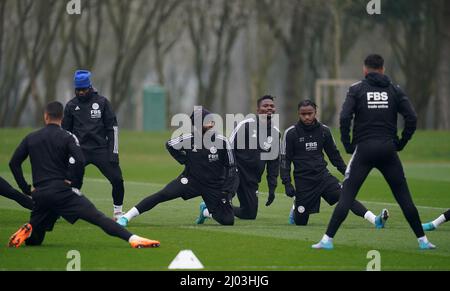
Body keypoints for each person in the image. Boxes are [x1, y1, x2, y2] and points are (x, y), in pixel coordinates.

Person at [312, 54, 435, 250]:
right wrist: (401, 142)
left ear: (365, 70)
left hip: (364, 149)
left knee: (347, 195)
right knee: (404, 197)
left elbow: (344, 117)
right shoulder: (394, 90)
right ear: (383, 69)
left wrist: (348, 143)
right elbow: (411, 117)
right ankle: (423, 241)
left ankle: (327, 240)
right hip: (388, 150)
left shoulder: (357, 89)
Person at [8, 101, 159, 249]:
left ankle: (29, 228)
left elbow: (14, 163)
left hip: (41, 195)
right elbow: (79, 161)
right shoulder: (67, 137)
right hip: (62, 192)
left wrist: (27, 189)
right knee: (99, 218)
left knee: (35, 240)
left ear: (46, 116)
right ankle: (133, 239)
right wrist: (75, 186)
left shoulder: (31, 138)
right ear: (61, 118)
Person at [118, 107, 237, 227]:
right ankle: (126, 217)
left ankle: (205, 212)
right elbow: (170, 144)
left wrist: (226, 190)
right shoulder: (188, 139)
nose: (211, 123)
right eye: (207, 121)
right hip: (191, 181)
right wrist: (184, 160)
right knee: (162, 195)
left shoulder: (222, 141)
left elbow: (232, 167)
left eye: (212, 120)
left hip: (214, 185)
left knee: (228, 220)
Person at [281, 100, 388, 227]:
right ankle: (296, 207)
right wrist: (287, 183)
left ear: (315, 112)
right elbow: (285, 161)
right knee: (300, 223)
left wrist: (347, 172)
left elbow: (334, 156)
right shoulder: (291, 133)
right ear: (298, 114)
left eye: (310, 113)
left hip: (323, 177)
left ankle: (375, 220)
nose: (307, 117)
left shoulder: (324, 131)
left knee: (346, 197)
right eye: (303, 114)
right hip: (304, 182)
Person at [62, 70, 125, 220]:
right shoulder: (71, 106)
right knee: (68, 181)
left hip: (100, 149)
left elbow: (113, 129)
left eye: (84, 90)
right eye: (78, 90)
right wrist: (64, 155)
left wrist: (113, 152)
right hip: (79, 150)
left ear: (90, 87)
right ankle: (64, 209)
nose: (81, 93)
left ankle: (118, 212)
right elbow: (65, 132)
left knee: (117, 180)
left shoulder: (102, 103)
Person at [223, 95, 280, 221]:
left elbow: (273, 163)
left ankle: (214, 207)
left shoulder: (275, 133)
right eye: (265, 106)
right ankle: (217, 206)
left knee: (249, 214)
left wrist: (272, 187)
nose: (269, 108)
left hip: (252, 177)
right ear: (258, 110)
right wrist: (228, 170)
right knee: (229, 194)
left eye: (271, 106)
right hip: (236, 169)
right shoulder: (245, 125)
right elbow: (228, 147)